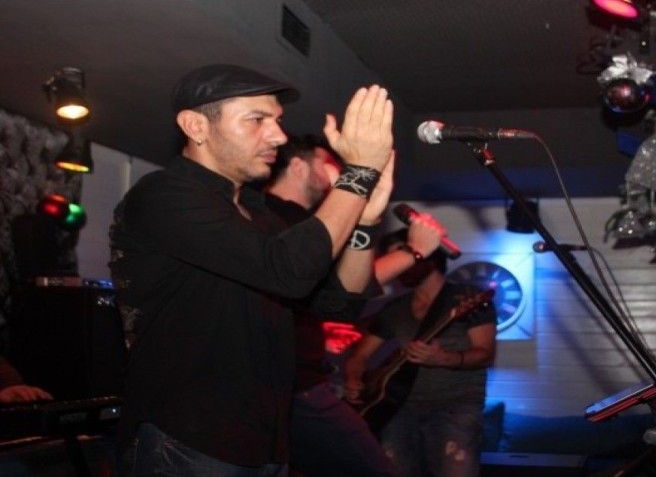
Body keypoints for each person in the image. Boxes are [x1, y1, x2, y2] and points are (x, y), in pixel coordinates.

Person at [109, 63, 394, 476]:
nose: (279, 135)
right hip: (188, 441)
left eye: (277, 120)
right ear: (196, 126)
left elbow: (340, 301)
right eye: (257, 120)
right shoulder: (163, 196)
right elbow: (287, 271)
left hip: (264, 440)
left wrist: (364, 224)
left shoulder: (260, 213)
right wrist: (358, 174)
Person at [265, 134, 445, 476]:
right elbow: (346, 285)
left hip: (288, 383)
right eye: (327, 163)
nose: (335, 174)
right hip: (295, 385)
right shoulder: (286, 221)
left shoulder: (285, 220)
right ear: (299, 167)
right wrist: (415, 251)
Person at [344, 229, 497, 477]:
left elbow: (485, 354)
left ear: (429, 256)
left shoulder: (467, 298)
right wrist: (353, 379)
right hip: (397, 410)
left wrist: (444, 358)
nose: (398, 266)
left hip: (454, 410)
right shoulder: (395, 308)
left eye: (403, 256)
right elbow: (359, 356)